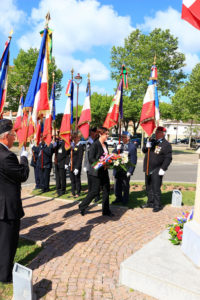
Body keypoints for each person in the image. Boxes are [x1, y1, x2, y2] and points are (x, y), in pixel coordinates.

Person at [0, 119, 29, 283]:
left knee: (2, 240)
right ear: (5, 137)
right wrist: (24, 157)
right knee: (8, 242)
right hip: (7, 207)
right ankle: (5, 275)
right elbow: (23, 175)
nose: (14, 138)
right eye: (12, 134)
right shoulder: (7, 156)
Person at [79, 127, 114, 217]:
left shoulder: (105, 144)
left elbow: (106, 156)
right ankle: (82, 206)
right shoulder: (95, 144)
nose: (107, 135)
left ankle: (106, 210)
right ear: (100, 134)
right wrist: (101, 163)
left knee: (106, 190)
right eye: (106, 134)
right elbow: (91, 158)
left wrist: (110, 161)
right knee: (94, 191)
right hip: (95, 172)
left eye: (107, 134)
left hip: (104, 171)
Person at [142, 126, 172, 212]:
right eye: (156, 132)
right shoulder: (152, 141)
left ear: (163, 134)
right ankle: (150, 202)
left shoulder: (166, 144)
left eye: (158, 132)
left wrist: (163, 168)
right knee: (148, 187)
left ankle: (157, 205)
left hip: (157, 168)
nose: (156, 133)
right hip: (148, 167)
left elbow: (168, 158)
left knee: (156, 188)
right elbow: (144, 150)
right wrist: (146, 145)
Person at [113, 131, 137, 205]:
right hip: (118, 168)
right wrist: (117, 149)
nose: (122, 138)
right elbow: (113, 154)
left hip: (126, 169)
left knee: (125, 185)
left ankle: (125, 199)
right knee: (117, 185)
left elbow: (133, 160)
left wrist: (130, 171)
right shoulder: (119, 145)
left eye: (124, 137)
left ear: (128, 138)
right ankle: (118, 198)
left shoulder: (132, 147)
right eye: (121, 137)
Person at [84, 127, 100, 202]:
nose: (92, 134)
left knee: (96, 182)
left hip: (96, 165)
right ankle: (90, 196)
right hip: (89, 166)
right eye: (92, 132)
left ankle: (97, 196)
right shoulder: (88, 142)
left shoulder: (98, 142)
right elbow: (86, 155)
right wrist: (85, 165)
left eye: (93, 132)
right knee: (90, 182)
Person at [68, 133, 84, 197]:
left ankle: (78, 192)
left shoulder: (80, 146)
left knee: (77, 179)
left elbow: (80, 158)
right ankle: (73, 191)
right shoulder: (72, 145)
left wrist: (77, 167)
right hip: (71, 165)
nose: (74, 139)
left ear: (78, 138)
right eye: (73, 138)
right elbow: (68, 155)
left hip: (76, 165)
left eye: (75, 138)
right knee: (72, 179)